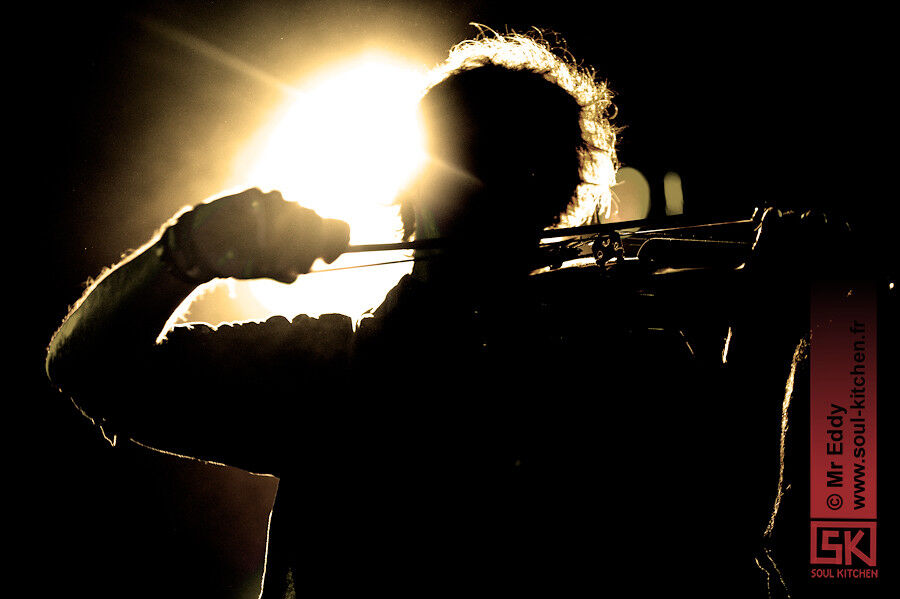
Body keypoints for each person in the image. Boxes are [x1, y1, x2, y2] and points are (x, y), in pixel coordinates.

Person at [46, 29, 810, 598]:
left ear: (558, 202)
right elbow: (87, 367)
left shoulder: (623, 364)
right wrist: (190, 250)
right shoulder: (329, 371)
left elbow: (744, 533)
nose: (488, 190)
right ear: (408, 187)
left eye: (525, 170)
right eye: (466, 160)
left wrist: (826, 321)